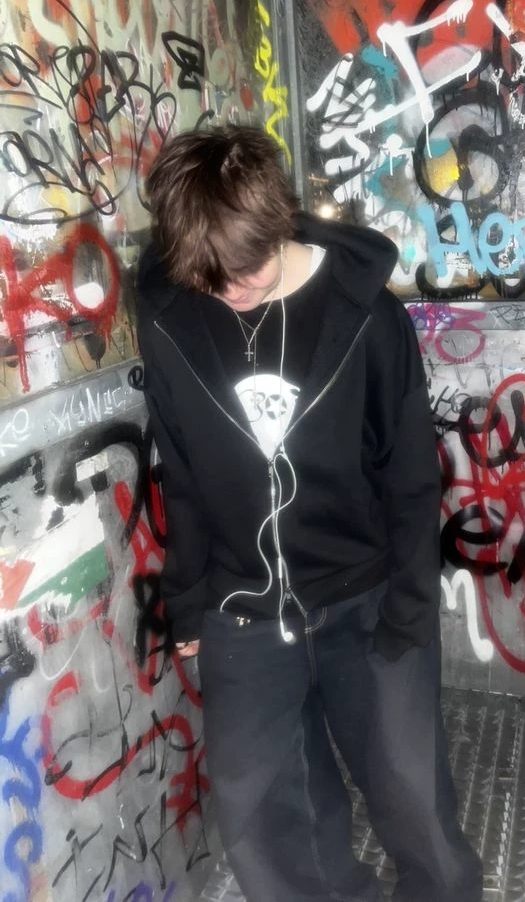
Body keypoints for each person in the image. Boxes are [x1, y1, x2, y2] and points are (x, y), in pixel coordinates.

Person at [136, 125, 483, 902]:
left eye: (245, 270)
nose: (229, 290)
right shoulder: (169, 317)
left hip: (367, 595)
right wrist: (187, 599)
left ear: (278, 222)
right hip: (243, 607)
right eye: (208, 278)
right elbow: (181, 472)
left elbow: (410, 479)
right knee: (259, 811)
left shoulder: (367, 317)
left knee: (410, 791)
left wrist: (410, 609)